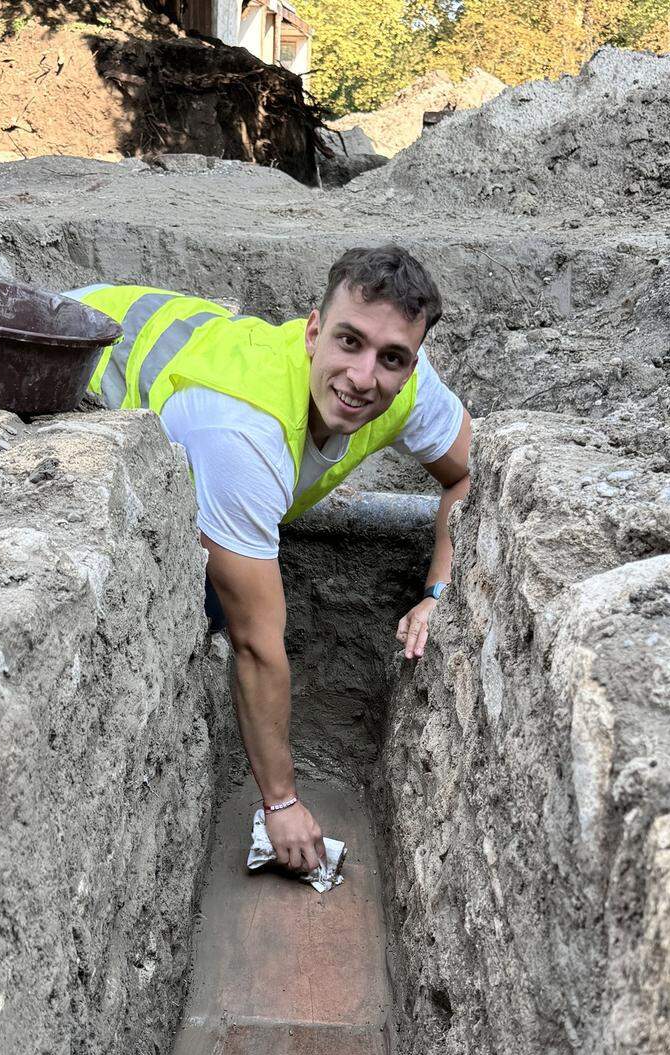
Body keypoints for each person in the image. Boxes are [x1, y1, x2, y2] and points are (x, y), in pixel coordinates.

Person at [67, 246, 471, 875]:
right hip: (76, 357)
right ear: (313, 333)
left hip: (177, 350)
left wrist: (437, 594)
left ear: (412, 362)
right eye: (348, 342)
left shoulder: (411, 388)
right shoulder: (244, 436)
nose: (364, 377)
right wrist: (280, 803)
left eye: (391, 358)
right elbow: (258, 643)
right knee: (196, 604)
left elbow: (468, 480)